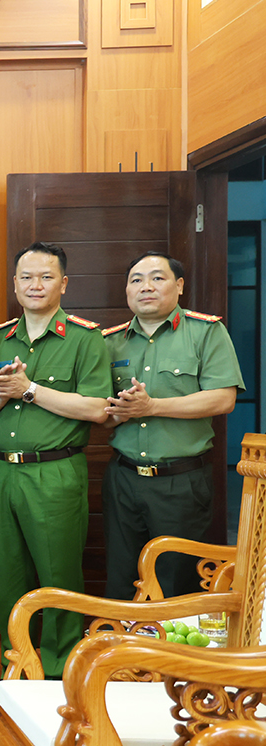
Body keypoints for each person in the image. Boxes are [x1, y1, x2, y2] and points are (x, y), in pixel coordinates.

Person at [0, 242, 111, 709]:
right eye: (26, 277)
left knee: (58, 579)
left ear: (63, 284)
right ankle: (18, 675)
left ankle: (59, 680)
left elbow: (96, 408)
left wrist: (28, 389)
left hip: (55, 473)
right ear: (15, 284)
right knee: (11, 579)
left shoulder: (87, 339)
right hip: (2, 472)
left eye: (45, 277)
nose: (35, 285)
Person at [102, 252, 241, 599]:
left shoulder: (206, 331)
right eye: (136, 280)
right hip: (123, 478)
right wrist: (119, 411)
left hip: (180, 481)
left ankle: (171, 653)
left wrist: (153, 406)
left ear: (179, 286)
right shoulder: (109, 341)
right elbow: (100, 409)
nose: (145, 287)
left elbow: (223, 399)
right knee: (122, 575)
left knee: (177, 579)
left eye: (157, 278)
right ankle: (125, 651)